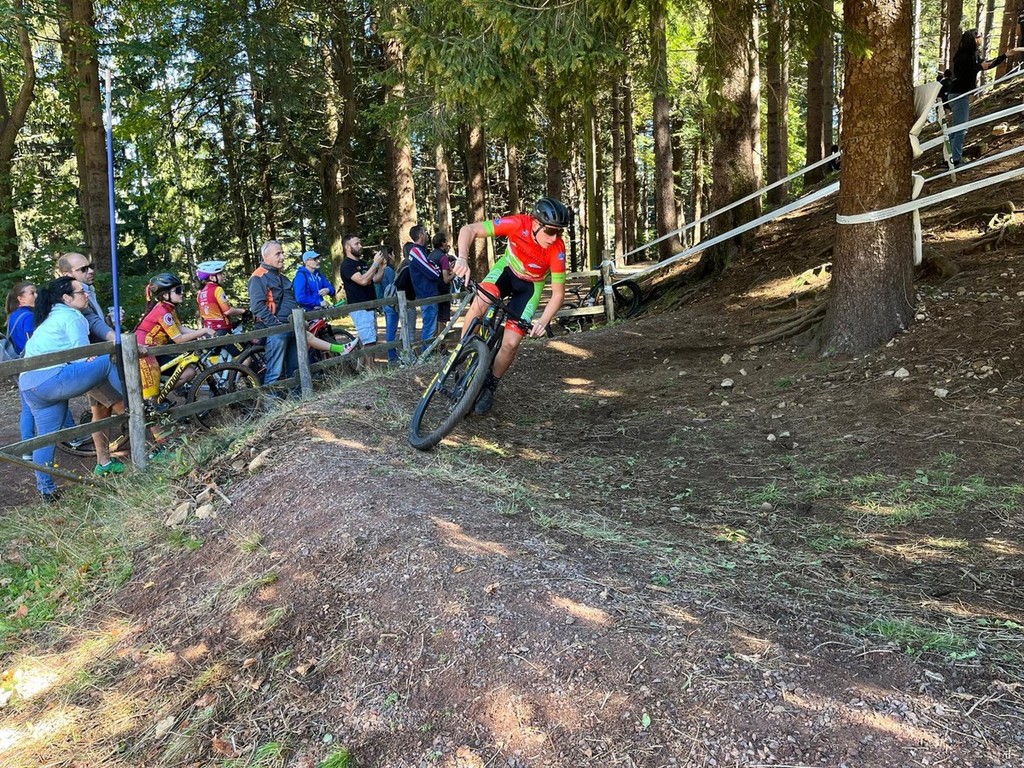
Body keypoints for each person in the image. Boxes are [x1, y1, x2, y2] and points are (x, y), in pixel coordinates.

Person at [452, 196, 569, 415]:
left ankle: (491, 384)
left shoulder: (557, 249)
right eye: (551, 231)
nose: (554, 238)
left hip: (530, 287)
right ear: (535, 223)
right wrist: (462, 258)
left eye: (559, 232)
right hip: (506, 271)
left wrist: (543, 322)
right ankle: (462, 353)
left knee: (511, 343)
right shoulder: (518, 224)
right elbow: (469, 230)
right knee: (480, 303)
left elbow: (558, 294)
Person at [19, 276, 125, 501]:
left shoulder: (50, 317)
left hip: (29, 385)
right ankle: (129, 404)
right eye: (80, 292)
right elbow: (82, 357)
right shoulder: (73, 317)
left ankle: (46, 490)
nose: (86, 295)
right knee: (106, 360)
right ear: (66, 298)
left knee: (46, 438)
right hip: (51, 379)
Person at [136, 273, 216, 416]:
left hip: (157, 351)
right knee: (151, 397)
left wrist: (198, 333)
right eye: (178, 290)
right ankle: (151, 403)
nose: (182, 293)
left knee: (189, 372)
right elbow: (178, 339)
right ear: (165, 295)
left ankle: (160, 396)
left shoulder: (168, 308)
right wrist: (202, 331)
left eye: (182, 289)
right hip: (146, 353)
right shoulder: (162, 311)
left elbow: (179, 328)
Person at [947, 30, 1011, 166]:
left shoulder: (973, 55)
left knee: (956, 129)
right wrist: (977, 67)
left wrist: (1005, 56)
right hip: (958, 95)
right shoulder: (963, 56)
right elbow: (961, 74)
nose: (981, 38)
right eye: (979, 36)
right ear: (973, 39)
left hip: (961, 95)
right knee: (961, 129)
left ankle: (950, 158)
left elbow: (988, 64)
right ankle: (955, 160)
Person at [248, 240, 300, 388]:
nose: (282, 257)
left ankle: (297, 399)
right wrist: (276, 326)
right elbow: (257, 306)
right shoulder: (258, 277)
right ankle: (271, 401)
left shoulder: (282, 276)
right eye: (278, 254)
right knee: (274, 372)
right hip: (276, 329)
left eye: (282, 253)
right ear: (266, 257)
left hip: (292, 326)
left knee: (294, 368)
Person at [7, 282, 37, 460]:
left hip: (19, 365)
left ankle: (27, 447)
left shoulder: (13, 316)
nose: (36, 296)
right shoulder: (28, 317)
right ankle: (73, 436)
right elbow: (33, 343)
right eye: (32, 293)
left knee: (27, 407)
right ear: (21, 298)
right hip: (32, 365)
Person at [339, 233, 385, 347]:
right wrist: (375, 263)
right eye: (357, 244)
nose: (360, 246)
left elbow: (375, 279)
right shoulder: (347, 265)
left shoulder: (362, 263)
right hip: (360, 308)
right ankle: (367, 361)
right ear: (347, 247)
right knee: (370, 342)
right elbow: (363, 280)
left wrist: (381, 267)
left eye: (360, 243)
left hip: (370, 306)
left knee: (371, 339)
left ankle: (360, 359)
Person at [407, 224, 442, 343]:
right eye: (425, 233)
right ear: (421, 235)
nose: (427, 235)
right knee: (429, 328)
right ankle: (426, 352)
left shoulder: (421, 251)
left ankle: (429, 351)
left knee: (431, 327)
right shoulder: (416, 251)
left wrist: (435, 267)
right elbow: (433, 272)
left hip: (428, 293)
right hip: (427, 294)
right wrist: (437, 269)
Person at [197, 260, 247, 336]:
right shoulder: (217, 289)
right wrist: (243, 311)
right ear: (212, 277)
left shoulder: (200, 293)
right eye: (220, 274)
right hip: (222, 330)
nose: (223, 276)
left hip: (208, 332)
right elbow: (227, 311)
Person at [376, 246, 400, 362]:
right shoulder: (389, 270)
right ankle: (392, 356)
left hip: (385, 303)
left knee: (390, 329)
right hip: (391, 303)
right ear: (389, 255)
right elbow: (394, 286)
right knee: (391, 330)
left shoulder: (380, 270)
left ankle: (392, 355)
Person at [430, 231, 455, 331]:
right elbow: (446, 279)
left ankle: (434, 339)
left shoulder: (430, 256)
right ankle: (441, 339)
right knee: (442, 319)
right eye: (446, 242)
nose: (447, 244)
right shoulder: (443, 257)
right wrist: (455, 272)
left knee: (433, 318)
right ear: (442, 243)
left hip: (432, 291)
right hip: (442, 292)